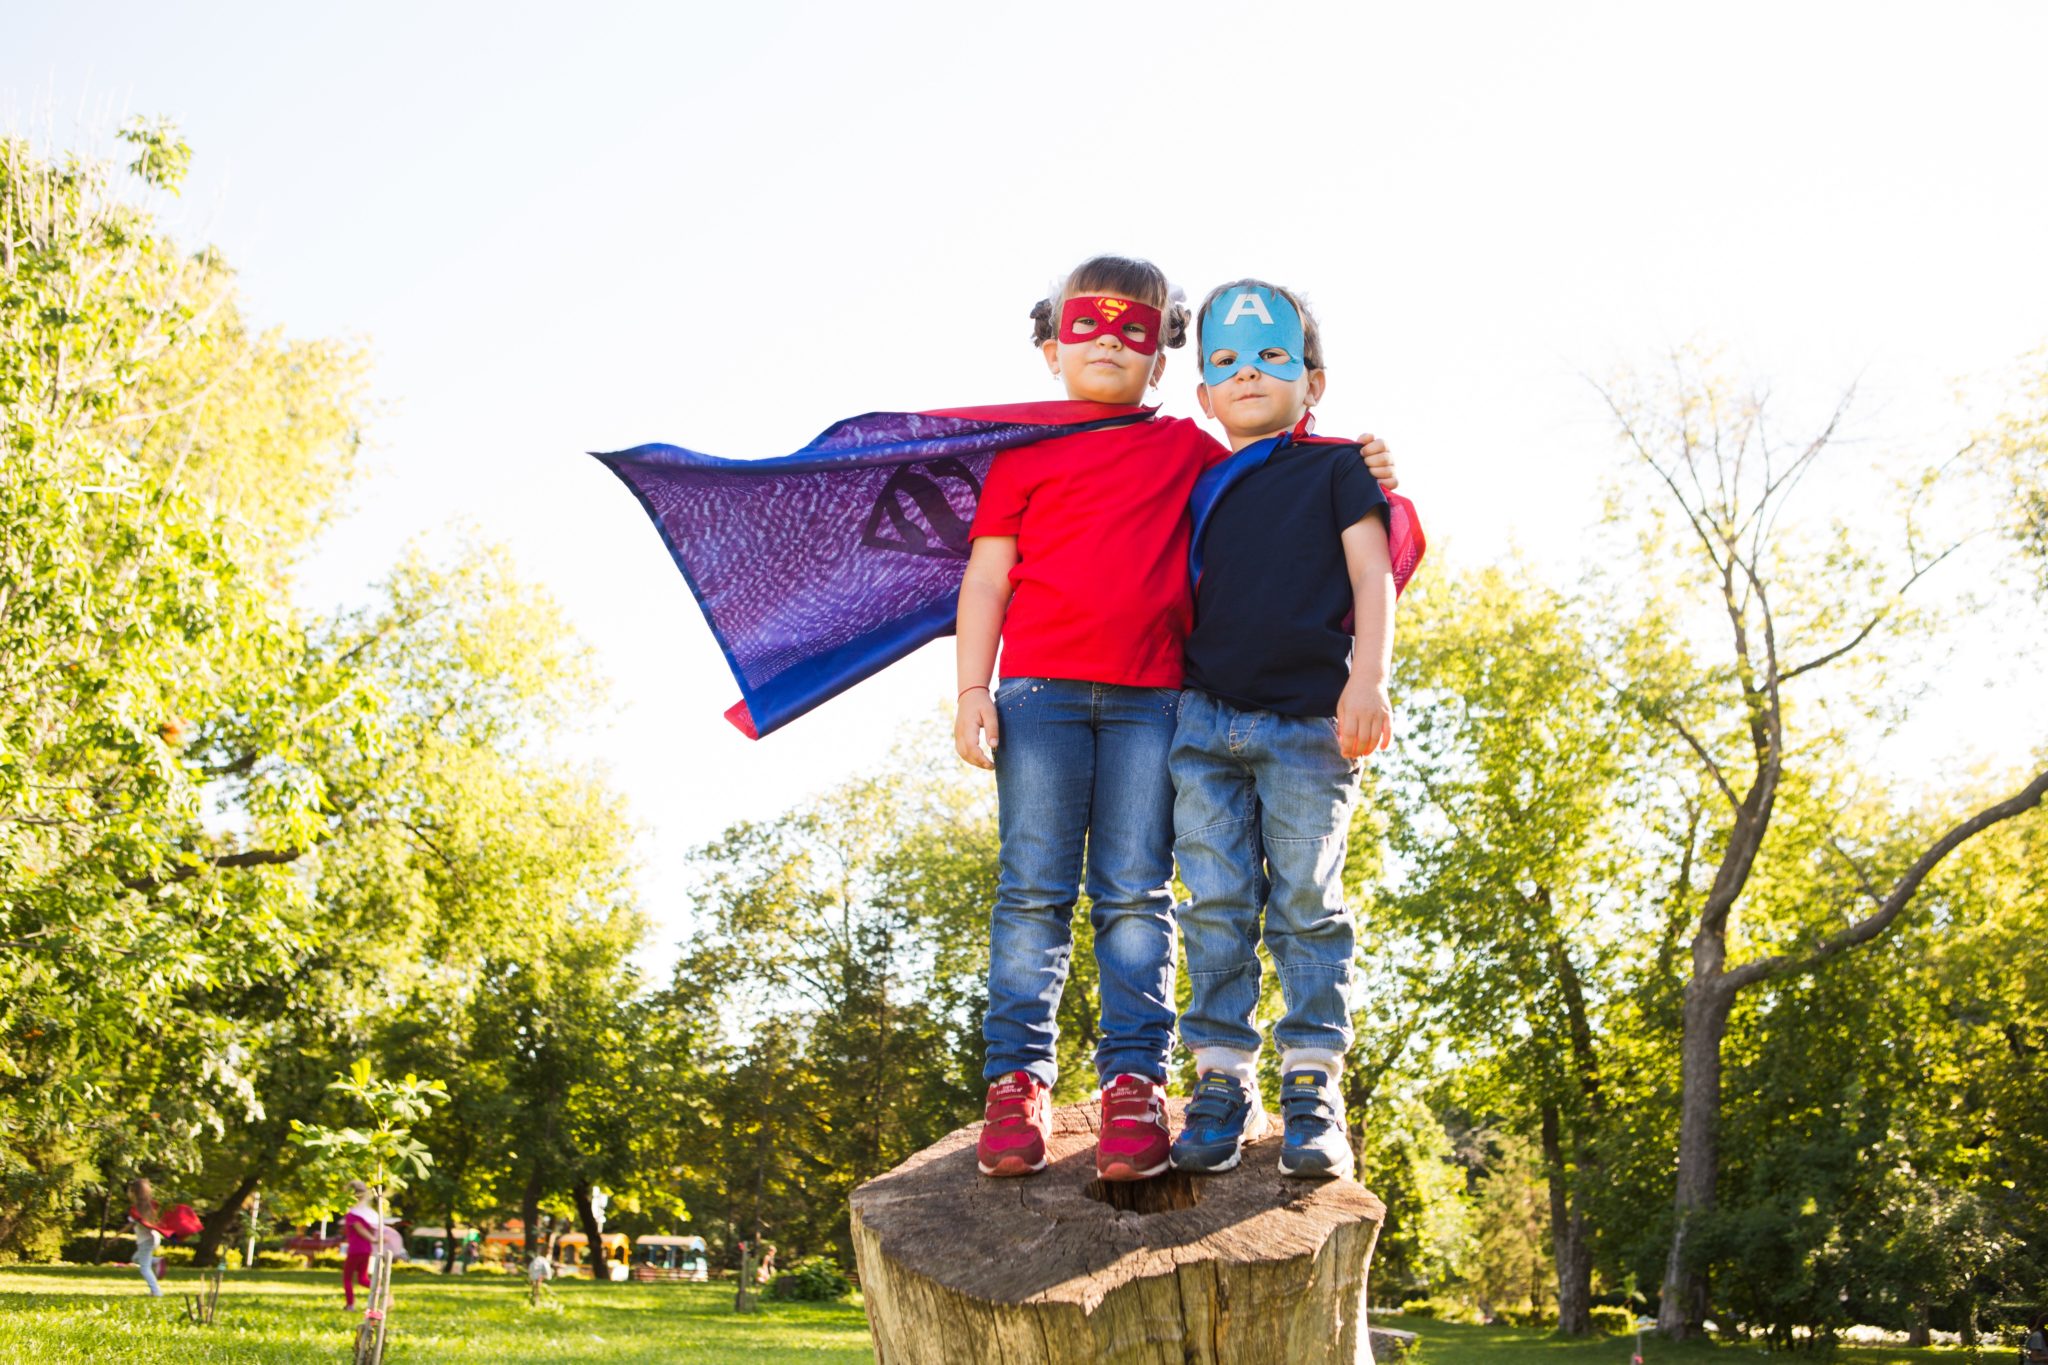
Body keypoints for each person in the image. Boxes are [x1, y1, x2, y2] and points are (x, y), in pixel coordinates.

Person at [956, 256, 1402, 1182]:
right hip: (1041, 695)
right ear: (1049, 349)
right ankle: (1016, 1081)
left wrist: (1377, 478)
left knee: (1139, 892)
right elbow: (987, 575)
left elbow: (1296, 486)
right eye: (1086, 328)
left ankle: (1136, 1081)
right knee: (1033, 889)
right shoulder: (1020, 452)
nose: (1109, 343)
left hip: (1160, 701)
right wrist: (970, 689)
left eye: (1134, 331)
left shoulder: (1193, 454)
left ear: (1165, 368)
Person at [1166, 281, 1398, 1180]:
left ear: (1315, 381)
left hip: (1309, 723)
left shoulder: (1338, 468)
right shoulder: (1194, 479)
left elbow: (1372, 576)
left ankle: (1313, 1083)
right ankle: (1222, 1078)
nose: (1247, 374)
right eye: (1224, 362)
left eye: (1271, 359)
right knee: (1216, 904)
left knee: (1307, 901)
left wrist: (1368, 679)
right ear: (1203, 397)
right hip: (1202, 720)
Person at [340, 1180, 378, 1311]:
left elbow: (360, 1230)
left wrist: (373, 1239)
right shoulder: (368, 1214)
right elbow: (373, 1229)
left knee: (347, 1278)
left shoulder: (353, 1215)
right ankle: (380, 1290)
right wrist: (374, 1239)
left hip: (356, 1249)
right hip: (366, 1250)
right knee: (362, 1278)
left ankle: (350, 1304)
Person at [126, 1178, 165, 1297]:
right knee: (135, 1259)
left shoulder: (136, 1209)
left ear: (134, 1192)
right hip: (153, 1238)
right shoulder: (151, 1205)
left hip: (145, 1241)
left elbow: (130, 1225)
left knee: (144, 1268)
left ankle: (156, 1292)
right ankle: (157, 1261)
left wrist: (115, 1237)